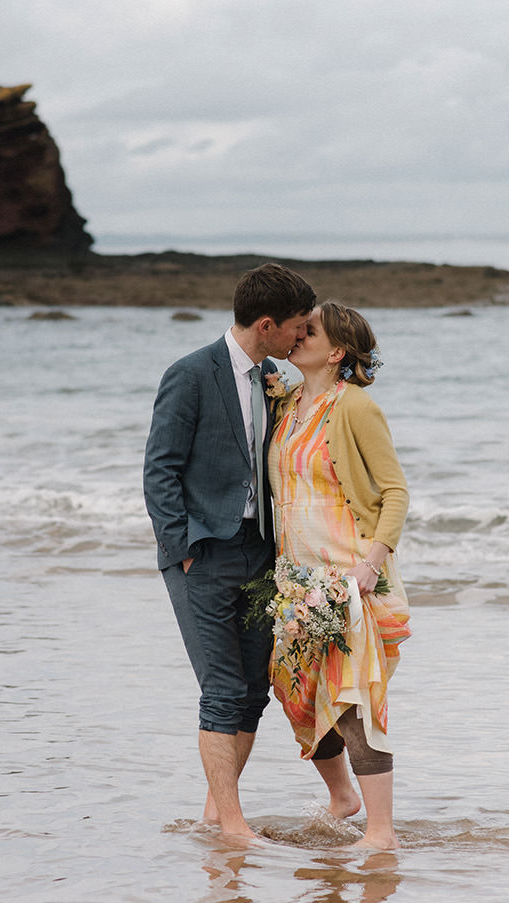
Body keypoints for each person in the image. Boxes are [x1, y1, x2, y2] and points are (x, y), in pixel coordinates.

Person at [144, 262, 316, 841]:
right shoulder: (190, 374)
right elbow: (159, 470)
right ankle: (234, 824)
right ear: (266, 325)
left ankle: (216, 813)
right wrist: (183, 547)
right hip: (202, 553)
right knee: (220, 690)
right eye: (296, 327)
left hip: (261, 552)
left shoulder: (276, 380)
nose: (302, 336)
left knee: (252, 691)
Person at [266, 301, 410, 851]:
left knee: (351, 702)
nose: (299, 335)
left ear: (337, 351)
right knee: (296, 692)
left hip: (350, 574)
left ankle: (380, 833)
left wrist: (370, 566)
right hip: (296, 578)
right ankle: (342, 798)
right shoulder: (288, 402)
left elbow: (395, 490)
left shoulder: (355, 407)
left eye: (311, 330)